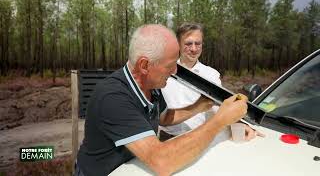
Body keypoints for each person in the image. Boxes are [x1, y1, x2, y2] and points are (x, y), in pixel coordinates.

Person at [76, 24, 249, 176]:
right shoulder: (113, 97)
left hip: (133, 167)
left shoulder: (151, 85)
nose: (174, 71)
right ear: (144, 66)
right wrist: (219, 121)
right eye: (170, 65)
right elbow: (162, 161)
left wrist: (199, 106)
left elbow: (163, 118)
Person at [160, 23, 258, 141]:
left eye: (198, 43)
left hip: (198, 140)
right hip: (166, 140)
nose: (194, 49)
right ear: (178, 44)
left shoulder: (211, 74)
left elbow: (220, 106)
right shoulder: (163, 71)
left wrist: (240, 124)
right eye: (188, 43)